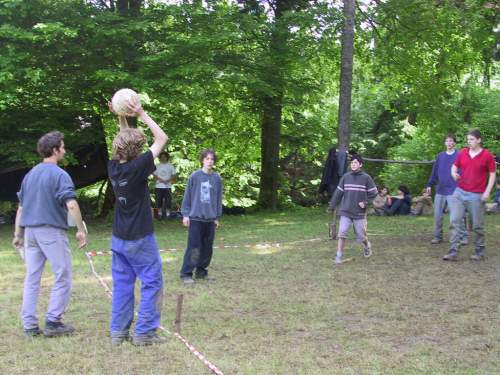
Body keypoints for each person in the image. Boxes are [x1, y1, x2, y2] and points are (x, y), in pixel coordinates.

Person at [12, 131, 87, 338]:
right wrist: (80, 230)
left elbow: (21, 207)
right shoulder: (59, 174)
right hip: (50, 232)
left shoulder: (30, 174)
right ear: (55, 150)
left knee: (32, 278)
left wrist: (18, 234)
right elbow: (71, 203)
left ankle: (29, 326)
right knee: (63, 275)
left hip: (30, 233)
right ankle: (53, 322)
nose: (64, 150)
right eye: (62, 147)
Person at [107, 98, 168, 345]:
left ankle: (118, 333)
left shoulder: (113, 167)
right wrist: (140, 113)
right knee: (152, 282)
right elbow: (161, 138)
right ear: (137, 151)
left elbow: (125, 140)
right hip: (140, 237)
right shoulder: (140, 166)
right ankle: (144, 333)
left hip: (118, 238)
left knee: (122, 285)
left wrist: (121, 115)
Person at [443, 130, 496, 261]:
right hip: (459, 192)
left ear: (479, 140)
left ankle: (479, 251)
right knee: (454, 221)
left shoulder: (487, 156)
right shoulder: (463, 153)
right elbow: (454, 167)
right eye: (468, 139)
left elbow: (493, 174)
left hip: (476, 195)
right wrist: (453, 173)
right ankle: (453, 252)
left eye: (472, 139)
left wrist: (487, 191)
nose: (469, 142)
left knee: (477, 225)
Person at [180, 149, 223, 284]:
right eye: (207, 159)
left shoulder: (217, 178)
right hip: (196, 218)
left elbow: (218, 199)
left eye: (212, 159)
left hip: (210, 219)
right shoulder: (195, 176)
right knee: (194, 247)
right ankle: (186, 273)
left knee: (207, 247)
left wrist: (216, 217)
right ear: (202, 160)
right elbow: (188, 196)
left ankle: (201, 272)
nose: (210, 161)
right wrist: (186, 214)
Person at [328, 154, 377, 265]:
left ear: (360, 164)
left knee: (361, 236)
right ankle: (338, 256)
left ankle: (366, 246)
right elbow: (338, 193)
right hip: (345, 211)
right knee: (342, 233)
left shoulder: (366, 178)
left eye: (356, 163)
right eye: (352, 163)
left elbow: (374, 193)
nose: (353, 164)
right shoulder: (345, 177)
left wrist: (365, 202)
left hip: (359, 213)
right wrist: (332, 206)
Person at [426, 134, 467, 244]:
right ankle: (438, 237)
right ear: (445, 143)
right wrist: (429, 185)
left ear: (454, 143)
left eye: (451, 141)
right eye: (447, 141)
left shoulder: (459, 155)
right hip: (440, 189)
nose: (449, 143)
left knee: (456, 216)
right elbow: (435, 172)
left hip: (454, 190)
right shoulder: (440, 156)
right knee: (437, 215)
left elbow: (463, 171)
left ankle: (463, 237)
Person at [153, 151, 176, 220]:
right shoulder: (157, 166)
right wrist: (161, 180)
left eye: (164, 157)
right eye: (161, 157)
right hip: (158, 186)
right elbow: (154, 176)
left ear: (167, 158)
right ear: (159, 158)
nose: (163, 158)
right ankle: (159, 214)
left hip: (168, 186)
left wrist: (168, 180)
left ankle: (168, 215)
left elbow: (174, 175)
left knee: (168, 201)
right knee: (158, 201)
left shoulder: (170, 166)